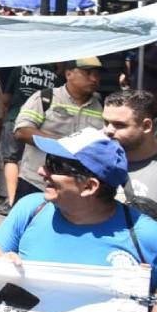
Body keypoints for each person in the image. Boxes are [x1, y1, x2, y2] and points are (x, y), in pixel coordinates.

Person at [0, 128, 157, 312]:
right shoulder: (30, 209)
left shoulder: (145, 234)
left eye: (55, 166)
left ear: (89, 186)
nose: (42, 172)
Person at [11, 57, 103, 205]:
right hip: (36, 183)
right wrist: (65, 144)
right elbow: (22, 131)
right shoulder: (45, 98)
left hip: (76, 191)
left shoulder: (101, 108)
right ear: (68, 74)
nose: (94, 78)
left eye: (97, 74)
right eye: (88, 72)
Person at [0, 61, 60, 206]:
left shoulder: (19, 68)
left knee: (11, 159)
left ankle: (11, 201)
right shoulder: (54, 75)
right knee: (30, 163)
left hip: (15, 118)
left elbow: (6, 98)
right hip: (39, 125)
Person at [102, 89, 157, 220]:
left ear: (146, 126)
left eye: (119, 125)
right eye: (106, 122)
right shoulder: (93, 161)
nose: (108, 131)